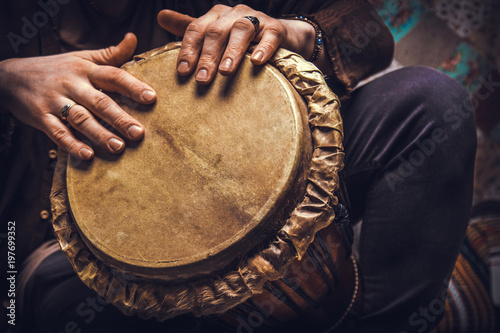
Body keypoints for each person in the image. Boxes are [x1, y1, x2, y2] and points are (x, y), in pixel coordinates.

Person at [0, 0, 476, 332]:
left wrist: (297, 31)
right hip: (60, 257)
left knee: (429, 104)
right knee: (57, 301)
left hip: (279, 171)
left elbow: (370, 33)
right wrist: (5, 79)